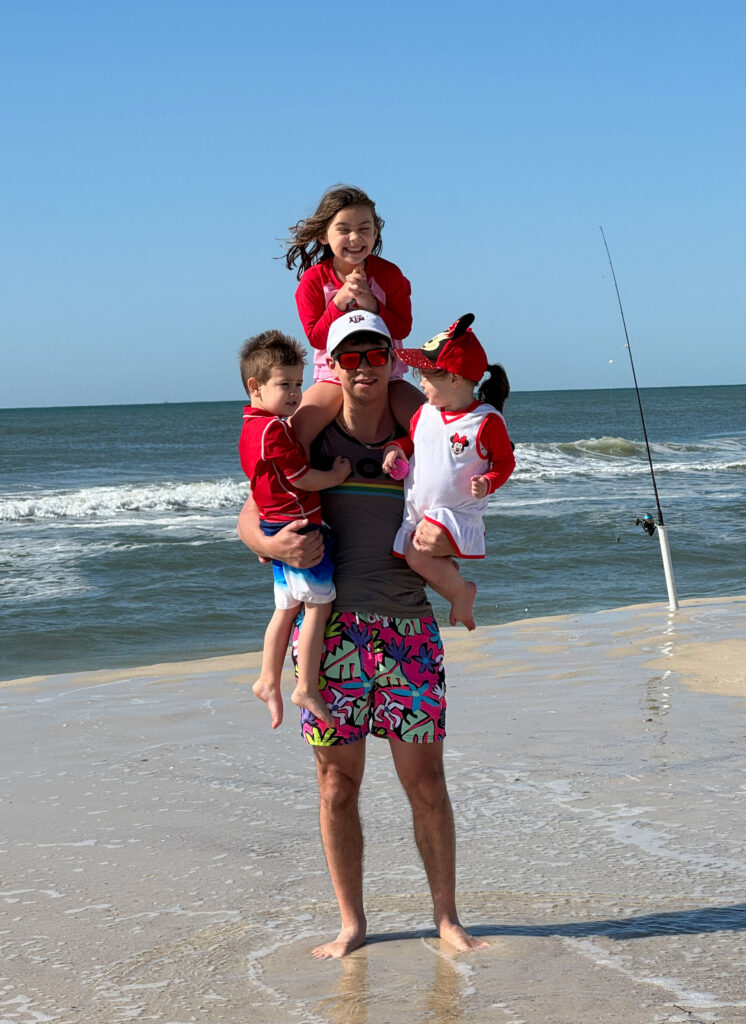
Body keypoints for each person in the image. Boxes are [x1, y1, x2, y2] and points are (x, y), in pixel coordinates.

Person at [237, 309, 489, 959]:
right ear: (333, 365)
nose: (364, 367)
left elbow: (472, 467)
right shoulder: (305, 442)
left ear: (391, 361)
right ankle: (352, 924)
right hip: (332, 635)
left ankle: (446, 918)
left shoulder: (424, 433)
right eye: (349, 357)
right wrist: (274, 544)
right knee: (335, 786)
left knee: (426, 784)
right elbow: (250, 516)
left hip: (408, 630)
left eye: (375, 354)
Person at [238, 331, 351, 727]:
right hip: (298, 525)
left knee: (284, 608)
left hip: (275, 522)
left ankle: (268, 679)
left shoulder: (250, 428)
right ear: (256, 387)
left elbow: (258, 481)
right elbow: (301, 476)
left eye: (299, 384)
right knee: (318, 604)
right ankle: (304, 686)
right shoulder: (276, 430)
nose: (294, 394)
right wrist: (335, 475)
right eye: (284, 384)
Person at [382, 314, 515, 631]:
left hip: (457, 512)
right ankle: (460, 593)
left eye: (426, 376)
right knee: (415, 559)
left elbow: (505, 462)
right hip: (420, 510)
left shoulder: (485, 421)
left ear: (455, 379)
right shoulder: (424, 413)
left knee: (426, 546)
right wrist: (395, 449)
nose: (421, 383)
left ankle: (460, 591)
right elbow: (413, 442)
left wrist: (489, 482)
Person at [283, 183, 423, 450]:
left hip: (387, 373)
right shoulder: (314, 281)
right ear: (324, 235)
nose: (355, 238)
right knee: (296, 433)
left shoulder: (389, 274)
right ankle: (297, 486)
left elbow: (402, 328)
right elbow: (316, 337)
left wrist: (371, 304)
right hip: (333, 375)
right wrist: (337, 303)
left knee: (428, 424)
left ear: (375, 233)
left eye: (363, 229)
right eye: (344, 230)